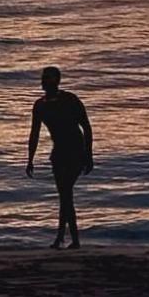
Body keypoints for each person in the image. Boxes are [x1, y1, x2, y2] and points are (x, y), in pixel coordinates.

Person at [26, 66, 93, 249]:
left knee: (65, 193)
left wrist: (89, 155)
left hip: (76, 151)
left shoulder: (70, 99)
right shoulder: (40, 105)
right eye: (43, 77)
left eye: (48, 77)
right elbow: (35, 134)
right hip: (58, 153)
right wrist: (30, 159)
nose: (44, 81)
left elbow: (86, 127)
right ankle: (67, 239)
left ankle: (67, 239)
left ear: (57, 80)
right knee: (64, 195)